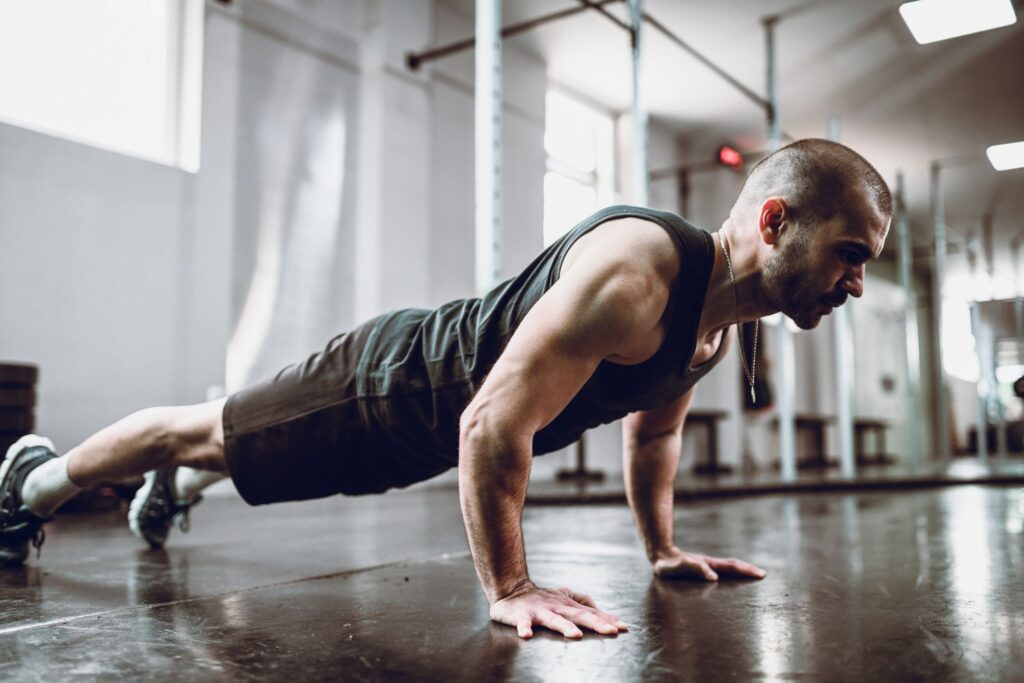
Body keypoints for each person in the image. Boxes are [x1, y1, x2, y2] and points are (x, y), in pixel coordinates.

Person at [0, 138, 891, 640]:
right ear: (775, 221)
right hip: (389, 386)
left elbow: (653, 436)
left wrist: (660, 549)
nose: (856, 284)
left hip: (426, 439)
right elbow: (489, 422)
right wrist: (509, 585)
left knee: (241, 456)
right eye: (851, 254)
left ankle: (181, 484)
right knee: (198, 430)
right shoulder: (638, 273)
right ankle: (30, 482)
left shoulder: (711, 325)